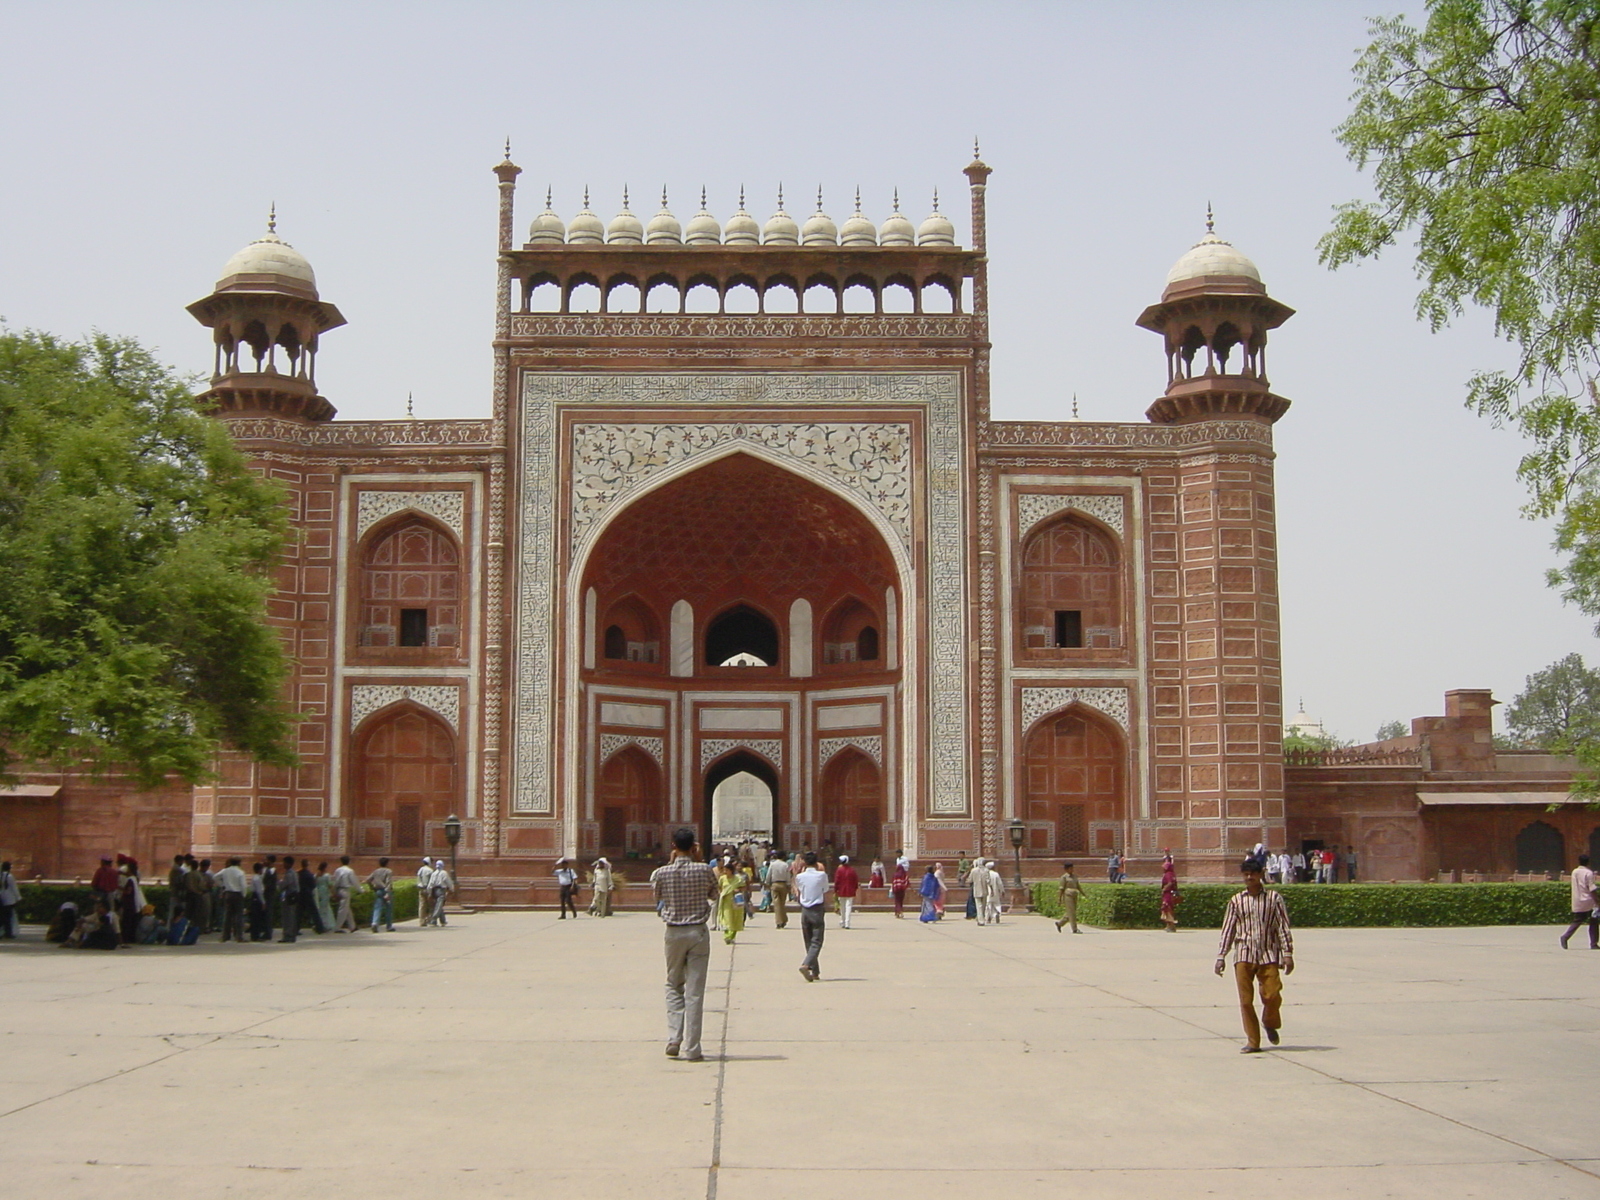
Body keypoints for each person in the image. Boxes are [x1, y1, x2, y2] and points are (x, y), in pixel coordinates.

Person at [651, 827, 719, 1062]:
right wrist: (698, 861)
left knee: (673, 984)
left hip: (673, 933)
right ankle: (692, 1048)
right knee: (695, 991)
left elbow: (657, 899)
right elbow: (714, 895)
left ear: (673, 846)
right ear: (694, 846)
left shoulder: (661, 873)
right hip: (698, 932)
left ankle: (674, 1038)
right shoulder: (704, 870)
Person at [1215, 857, 1295, 1053]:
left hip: (1268, 953)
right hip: (1243, 953)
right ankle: (1253, 1041)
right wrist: (1221, 956)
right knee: (1245, 1001)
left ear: (1261, 875)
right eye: (1246, 874)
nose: (1249, 877)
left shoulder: (1273, 899)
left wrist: (1288, 953)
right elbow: (1228, 929)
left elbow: (1282, 927)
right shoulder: (1236, 901)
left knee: (1272, 995)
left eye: (1253, 874)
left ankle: (1269, 1021)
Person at [794, 851, 829, 981]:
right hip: (817, 909)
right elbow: (825, 889)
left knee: (808, 941)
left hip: (805, 910)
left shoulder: (800, 877)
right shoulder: (821, 875)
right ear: (816, 863)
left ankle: (815, 971)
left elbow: (800, 889)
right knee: (817, 941)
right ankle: (806, 964)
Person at [1560, 853, 1599, 949]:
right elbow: (1591, 889)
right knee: (1594, 922)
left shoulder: (1575, 872)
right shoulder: (1588, 873)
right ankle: (1593, 943)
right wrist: (1598, 901)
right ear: (1588, 862)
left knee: (1577, 921)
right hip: (1588, 901)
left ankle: (1565, 937)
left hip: (1578, 900)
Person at [215, 856, 248, 943]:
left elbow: (215, 877)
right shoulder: (240, 872)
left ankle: (225, 936)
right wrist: (244, 895)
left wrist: (223, 885)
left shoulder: (225, 870)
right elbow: (243, 886)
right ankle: (239, 936)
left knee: (227, 915)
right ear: (238, 863)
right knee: (239, 916)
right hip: (237, 894)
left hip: (228, 893)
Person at [716, 857, 747, 944]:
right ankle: (727, 936)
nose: (725, 872)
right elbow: (719, 887)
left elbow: (744, 887)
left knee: (735, 919)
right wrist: (721, 893)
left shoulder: (738, 879)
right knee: (726, 919)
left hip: (735, 901)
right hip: (726, 901)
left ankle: (732, 936)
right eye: (724, 870)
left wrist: (738, 890)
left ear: (731, 871)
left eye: (727, 870)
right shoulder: (722, 878)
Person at [331, 855, 360, 932]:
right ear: (349, 861)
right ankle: (337, 928)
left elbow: (335, 881)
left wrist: (335, 891)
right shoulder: (350, 871)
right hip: (345, 890)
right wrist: (361, 890)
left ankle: (352, 926)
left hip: (339, 889)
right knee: (343, 909)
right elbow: (355, 882)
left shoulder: (338, 870)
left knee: (347, 909)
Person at [367, 857, 395, 931]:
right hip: (385, 891)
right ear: (387, 863)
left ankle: (374, 923)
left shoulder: (376, 871)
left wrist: (372, 887)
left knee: (377, 908)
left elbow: (368, 880)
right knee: (388, 909)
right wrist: (388, 893)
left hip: (378, 890)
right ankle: (389, 926)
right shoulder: (388, 871)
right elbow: (388, 882)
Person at [1054, 861, 1083, 933]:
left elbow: (1078, 886)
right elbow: (1061, 889)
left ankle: (1060, 923)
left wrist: (1083, 893)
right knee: (1072, 912)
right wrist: (1059, 899)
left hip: (1074, 895)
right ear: (1066, 869)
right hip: (1068, 895)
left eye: (1072, 868)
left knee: (1071, 912)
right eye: (1070, 868)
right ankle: (1074, 929)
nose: (1072, 870)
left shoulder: (1074, 876)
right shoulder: (1064, 877)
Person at [278, 856, 301, 942]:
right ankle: (290, 935)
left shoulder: (289, 874)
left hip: (289, 897)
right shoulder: (294, 873)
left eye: (284, 862)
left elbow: (283, 885)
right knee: (291, 916)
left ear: (289, 863)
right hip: (293, 897)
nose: (283, 864)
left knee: (288, 917)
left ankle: (288, 935)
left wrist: (279, 882)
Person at [767, 852, 792, 929]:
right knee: (782, 903)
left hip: (775, 884)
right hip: (783, 884)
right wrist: (788, 884)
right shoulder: (785, 865)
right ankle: (783, 919)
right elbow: (788, 875)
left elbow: (769, 874)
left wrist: (767, 883)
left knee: (776, 904)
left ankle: (779, 922)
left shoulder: (772, 864)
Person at [299, 860, 324, 934]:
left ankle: (296, 928)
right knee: (314, 912)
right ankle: (319, 928)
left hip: (300, 894)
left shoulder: (299, 874)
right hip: (308, 894)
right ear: (307, 865)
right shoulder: (309, 874)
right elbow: (313, 885)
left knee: (299, 913)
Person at [834, 854, 860, 929]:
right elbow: (856, 881)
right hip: (850, 891)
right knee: (848, 907)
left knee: (842, 907)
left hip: (841, 891)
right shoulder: (852, 870)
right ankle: (847, 923)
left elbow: (837, 881)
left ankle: (842, 921)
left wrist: (836, 890)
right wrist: (855, 889)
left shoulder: (839, 870)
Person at [247, 862, 270, 941]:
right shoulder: (257, 879)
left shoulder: (255, 877)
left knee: (255, 918)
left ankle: (255, 935)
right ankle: (255, 936)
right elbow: (259, 891)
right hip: (257, 898)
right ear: (259, 869)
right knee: (257, 918)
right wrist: (263, 902)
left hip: (254, 898)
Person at [1159, 852, 1181, 933]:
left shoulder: (1168, 874)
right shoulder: (1172, 874)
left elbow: (1170, 883)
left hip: (1168, 894)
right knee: (1168, 909)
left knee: (1167, 908)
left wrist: (1164, 889)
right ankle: (1169, 925)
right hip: (1170, 894)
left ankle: (1171, 925)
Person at [428, 858, 453, 925]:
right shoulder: (444, 873)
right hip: (441, 890)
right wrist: (452, 889)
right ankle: (433, 919)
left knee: (438, 905)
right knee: (439, 905)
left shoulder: (434, 873)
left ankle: (443, 921)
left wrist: (429, 892)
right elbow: (448, 882)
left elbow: (431, 883)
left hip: (434, 890)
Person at [166, 853, 187, 926]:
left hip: (174, 892)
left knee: (173, 910)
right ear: (179, 861)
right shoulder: (177, 870)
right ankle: (171, 927)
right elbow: (179, 882)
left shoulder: (174, 869)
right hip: (176, 893)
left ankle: (170, 926)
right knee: (174, 911)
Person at [313, 862, 336, 932]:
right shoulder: (327, 876)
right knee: (325, 909)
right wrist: (334, 893)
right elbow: (330, 885)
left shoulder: (316, 875)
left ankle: (318, 924)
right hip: (325, 892)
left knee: (319, 908)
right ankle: (325, 924)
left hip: (318, 892)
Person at [969, 856, 991, 925]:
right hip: (984, 890)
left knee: (979, 906)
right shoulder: (986, 870)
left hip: (977, 890)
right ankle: (981, 918)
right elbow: (988, 881)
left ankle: (980, 920)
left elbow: (970, 880)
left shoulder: (973, 870)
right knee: (983, 905)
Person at [0, 860, 18, 938]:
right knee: (8, 916)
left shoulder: (1, 875)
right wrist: (18, 897)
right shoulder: (10, 876)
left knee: (2, 916)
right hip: (9, 899)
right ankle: (8, 932)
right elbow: (14, 888)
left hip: (1, 898)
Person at [417, 857, 436, 926]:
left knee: (422, 906)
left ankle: (421, 921)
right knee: (431, 905)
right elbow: (431, 882)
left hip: (421, 889)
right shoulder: (430, 870)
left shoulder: (420, 869)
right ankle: (429, 919)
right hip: (428, 889)